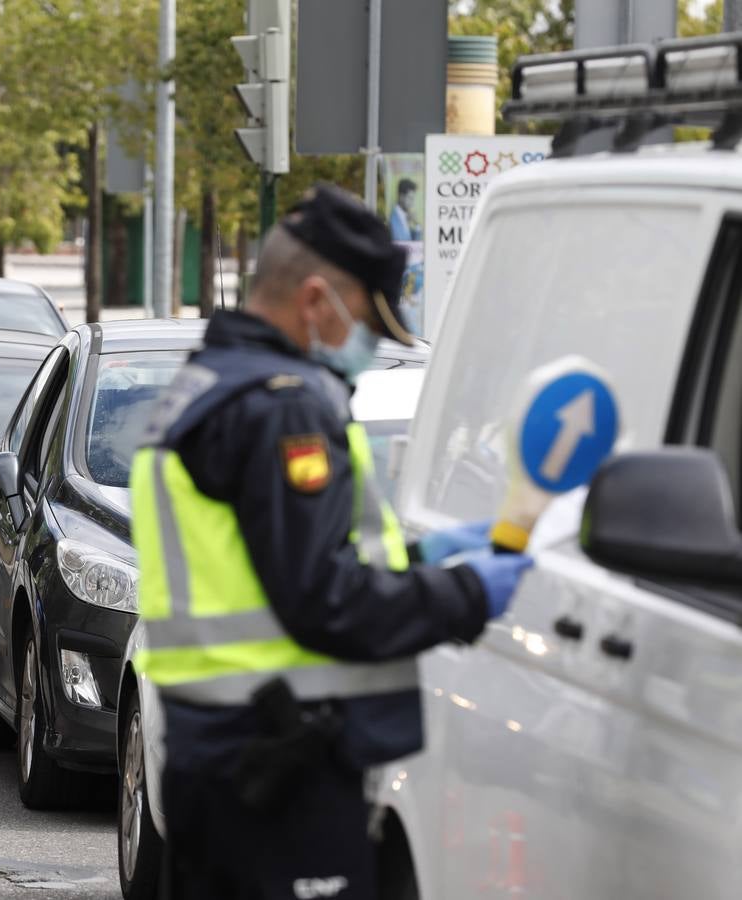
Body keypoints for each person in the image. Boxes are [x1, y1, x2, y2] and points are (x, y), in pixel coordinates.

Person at [130, 184, 532, 899]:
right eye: (369, 325)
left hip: (215, 753)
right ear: (316, 301)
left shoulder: (201, 387)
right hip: (278, 768)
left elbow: (266, 563)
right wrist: (468, 593)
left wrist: (420, 559)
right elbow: (323, 599)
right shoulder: (284, 406)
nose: (372, 346)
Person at [389, 178, 420, 242]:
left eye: (413, 199)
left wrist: (416, 224)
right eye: (410, 198)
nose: (412, 203)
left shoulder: (405, 216)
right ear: (401, 197)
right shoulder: (393, 219)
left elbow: (413, 242)